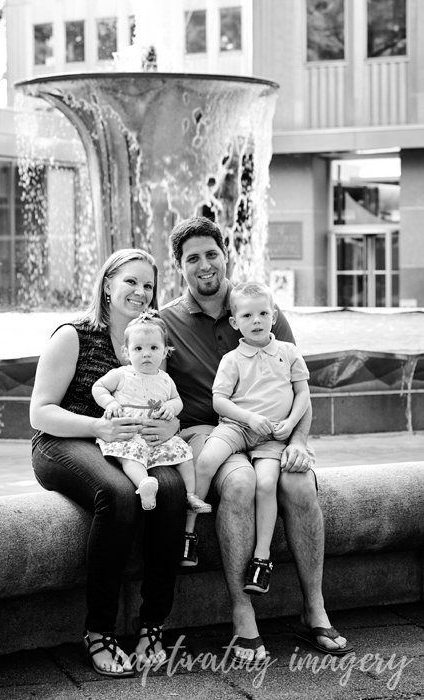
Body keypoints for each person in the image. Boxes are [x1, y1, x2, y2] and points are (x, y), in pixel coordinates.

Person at [160, 216, 353, 661]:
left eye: (212, 254)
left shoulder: (261, 308)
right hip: (211, 431)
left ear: (225, 254)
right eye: (193, 258)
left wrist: (300, 441)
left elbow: (297, 383)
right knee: (241, 484)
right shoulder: (167, 322)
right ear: (179, 266)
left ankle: (314, 611)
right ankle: (242, 614)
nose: (205, 265)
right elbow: (145, 378)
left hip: (271, 432)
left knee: (299, 483)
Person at [30, 249, 187, 678]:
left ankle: (152, 625)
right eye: (131, 281)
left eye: (149, 285)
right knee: (118, 494)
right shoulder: (74, 335)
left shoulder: (151, 339)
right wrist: (97, 428)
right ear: (107, 284)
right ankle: (98, 631)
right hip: (64, 441)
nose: (140, 292)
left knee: (172, 490)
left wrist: (169, 425)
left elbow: (167, 400)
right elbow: (40, 412)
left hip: (131, 446)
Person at [183, 282, 310, 598]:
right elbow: (219, 401)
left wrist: (292, 426)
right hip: (236, 427)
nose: (257, 321)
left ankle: (262, 559)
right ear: (234, 322)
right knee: (207, 459)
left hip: (271, 437)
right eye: (248, 315)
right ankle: (187, 535)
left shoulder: (289, 353)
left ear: (274, 315)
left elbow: (303, 393)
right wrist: (248, 418)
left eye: (263, 313)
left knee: (266, 484)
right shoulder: (232, 359)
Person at [91, 310, 211, 514]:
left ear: (165, 352)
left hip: (157, 438)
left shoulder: (165, 379)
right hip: (129, 434)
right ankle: (144, 484)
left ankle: (191, 496)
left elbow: (177, 401)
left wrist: (169, 408)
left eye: (154, 348)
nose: (146, 353)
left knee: (184, 456)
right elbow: (98, 387)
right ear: (127, 352)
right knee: (131, 459)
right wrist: (110, 403)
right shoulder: (122, 374)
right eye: (138, 348)